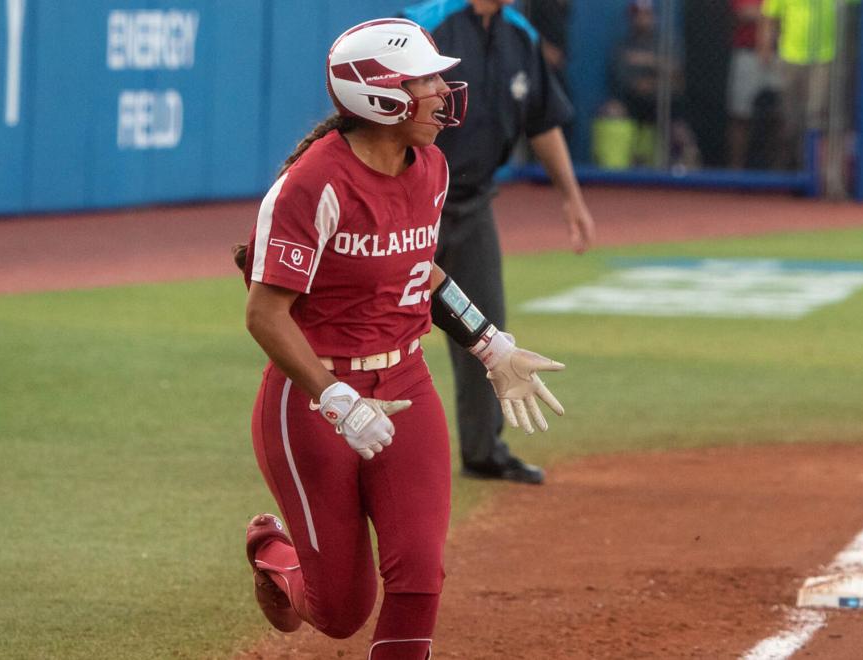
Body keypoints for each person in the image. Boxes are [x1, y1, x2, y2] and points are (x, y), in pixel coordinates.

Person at [231, 18, 566, 659]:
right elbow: (264, 315)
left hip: (406, 383)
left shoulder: (432, 168)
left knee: (419, 570)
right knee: (340, 612)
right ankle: (276, 553)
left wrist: (489, 345)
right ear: (377, 96)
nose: (443, 91)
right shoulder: (312, 185)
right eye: (425, 80)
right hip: (311, 402)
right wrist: (338, 400)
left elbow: (419, 269)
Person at [401, 0, 594, 485]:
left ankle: (484, 451)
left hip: (473, 203)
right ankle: (370, 448)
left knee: (485, 324)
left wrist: (571, 198)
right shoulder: (424, 25)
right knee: (385, 327)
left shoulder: (520, 36)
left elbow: (543, 121)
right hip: (407, 198)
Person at [596, 0, 699, 170]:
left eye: (647, 14)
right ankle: (618, 172)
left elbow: (678, 78)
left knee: (681, 132)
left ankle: (684, 173)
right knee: (612, 111)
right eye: (638, 15)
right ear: (631, 18)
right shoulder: (623, 46)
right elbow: (631, 83)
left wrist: (649, 62)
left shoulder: (668, 44)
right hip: (633, 102)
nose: (642, 19)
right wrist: (659, 75)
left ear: (654, 17)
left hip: (665, 103)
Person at [757, 0, 837, 170]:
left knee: (815, 114)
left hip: (824, 58)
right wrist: (765, 47)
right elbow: (770, 17)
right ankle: (791, 168)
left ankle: (813, 171)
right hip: (790, 57)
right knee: (790, 118)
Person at [726, 0, 781, 169]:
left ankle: (777, 172)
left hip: (780, 53)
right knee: (741, 116)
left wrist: (766, 16)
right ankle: (736, 170)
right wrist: (774, 17)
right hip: (748, 53)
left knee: (779, 117)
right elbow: (745, 12)